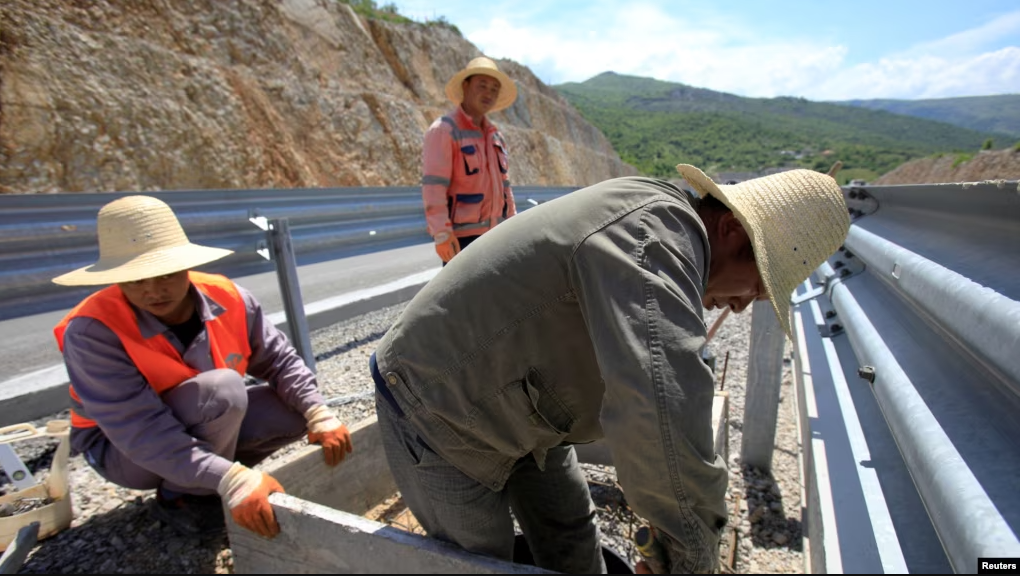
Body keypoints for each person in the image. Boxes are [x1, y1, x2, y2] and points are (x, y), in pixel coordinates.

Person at [370, 165, 850, 573]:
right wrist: (691, 556)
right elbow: (660, 406)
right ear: (731, 230)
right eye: (758, 286)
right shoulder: (651, 236)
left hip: (524, 408)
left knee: (571, 535)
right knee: (482, 563)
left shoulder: (666, 234)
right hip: (436, 408)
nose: (744, 306)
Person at [51, 195, 354, 539]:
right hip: (120, 447)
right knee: (222, 391)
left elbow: (280, 360)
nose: (152, 290)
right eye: (135, 280)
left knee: (293, 409)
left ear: (185, 267)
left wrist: (318, 412)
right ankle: (183, 496)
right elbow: (140, 429)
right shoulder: (93, 331)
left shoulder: (229, 297)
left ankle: (203, 477)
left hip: (195, 418)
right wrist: (232, 479)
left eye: (164, 274)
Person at [421, 56, 519, 264]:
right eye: (482, 85)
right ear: (465, 86)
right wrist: (442, 235)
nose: (488, 93)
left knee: (496, 295)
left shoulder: (495, 136)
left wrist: (513, 225)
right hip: (463, 240)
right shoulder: (445, 130)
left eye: (494, 89)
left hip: (497, 234)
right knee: (465, 297)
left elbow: (504, 186)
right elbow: (434, 188)